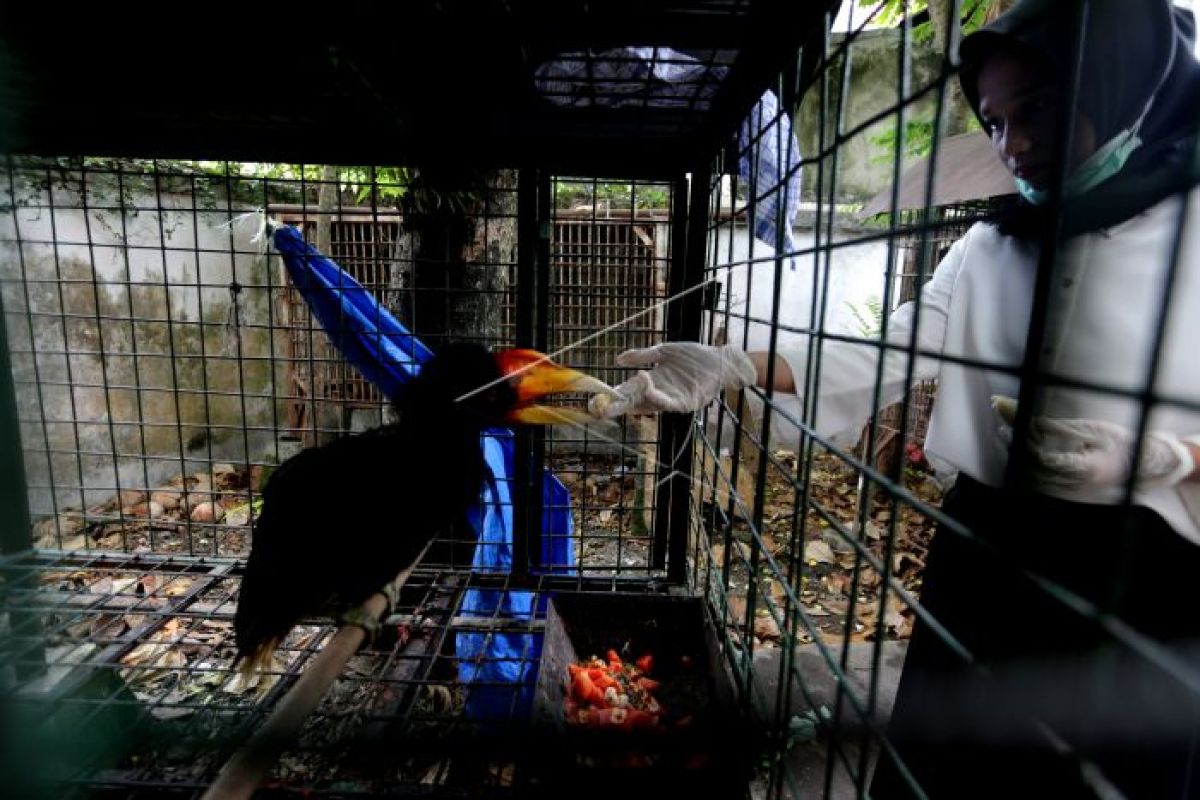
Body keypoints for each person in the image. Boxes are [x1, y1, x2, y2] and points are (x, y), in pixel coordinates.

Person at [589, 0, 1200, 796]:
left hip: (1147, 575)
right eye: (993, 120)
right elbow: (882, 351)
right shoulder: (992, 248)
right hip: (990, 550)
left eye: (1038, 109)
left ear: (1124, 86)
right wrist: (732, 364)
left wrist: (1170, 459)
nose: (1012, 145)